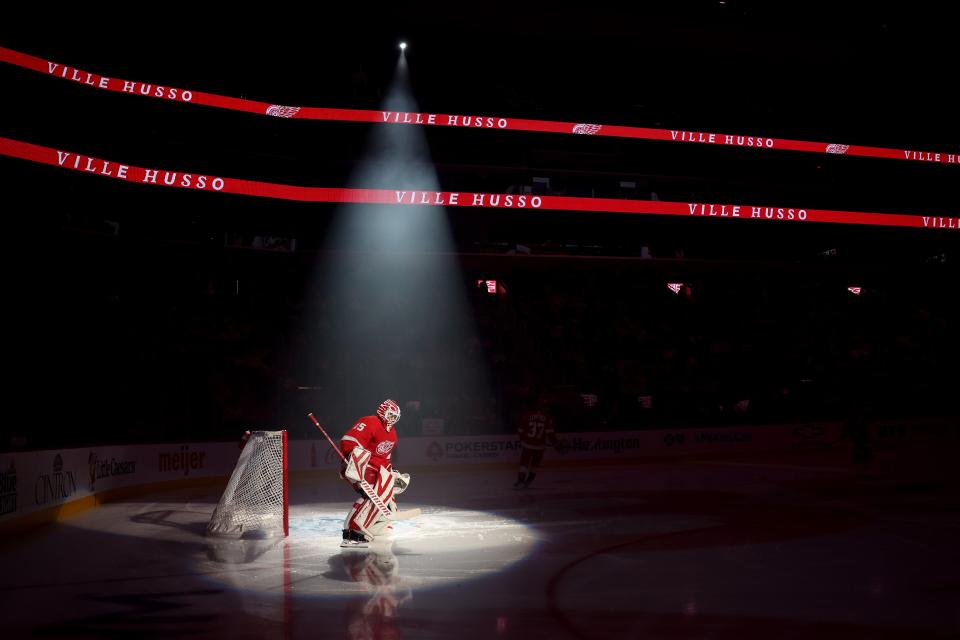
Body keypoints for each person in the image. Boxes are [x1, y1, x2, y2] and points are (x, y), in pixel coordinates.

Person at [339, 399, 411, 547]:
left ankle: (378, 525)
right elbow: (349, 441)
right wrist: (355, 460)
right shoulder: (370, 421)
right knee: (373, 496)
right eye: (390, 415)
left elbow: (385, 458)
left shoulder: (393, 434)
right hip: (361, 468)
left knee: (388, 493)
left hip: (376, 471)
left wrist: (391, 473)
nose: (393, 419)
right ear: (382, 411)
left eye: (395, 417)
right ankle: (352, 533)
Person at [514, 396, 559, 489]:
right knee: (535, 465)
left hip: (527, 444)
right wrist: (556, 444)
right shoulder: (547, 418)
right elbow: (550, 433)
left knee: (524, 463)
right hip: (540, 446)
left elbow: (520, 430)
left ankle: (520, 481)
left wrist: (523, 439)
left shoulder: (527, 415)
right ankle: (528, 482)